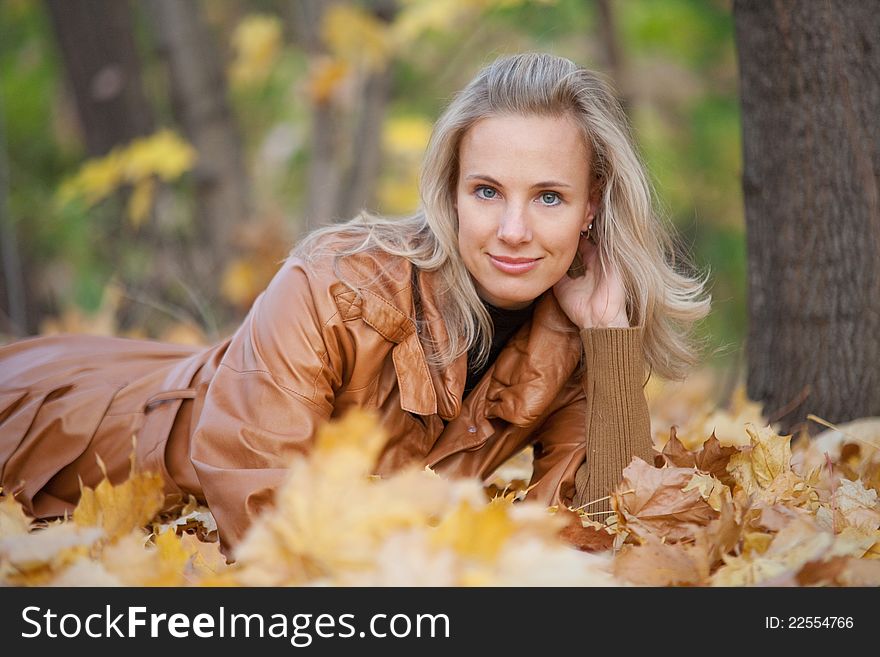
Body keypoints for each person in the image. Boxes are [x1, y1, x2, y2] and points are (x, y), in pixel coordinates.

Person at [0, 52, 710, 558]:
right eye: (487, 191)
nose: (513, 230)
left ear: (592, 208)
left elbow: (602, 530)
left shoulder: (582, 328)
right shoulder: (333, 282)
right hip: (72, 431)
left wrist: (611, 343)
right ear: (451, 194)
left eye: (548, 197)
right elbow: (262, 507)